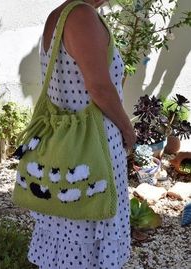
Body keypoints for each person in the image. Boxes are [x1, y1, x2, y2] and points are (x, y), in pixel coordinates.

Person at [27, 0, 136, 268]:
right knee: (90, 222)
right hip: (93, 146)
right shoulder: (82, 15)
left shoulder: (59, 15)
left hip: (66, 146)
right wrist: (127, 129)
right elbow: (99, 88)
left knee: (69, 224)